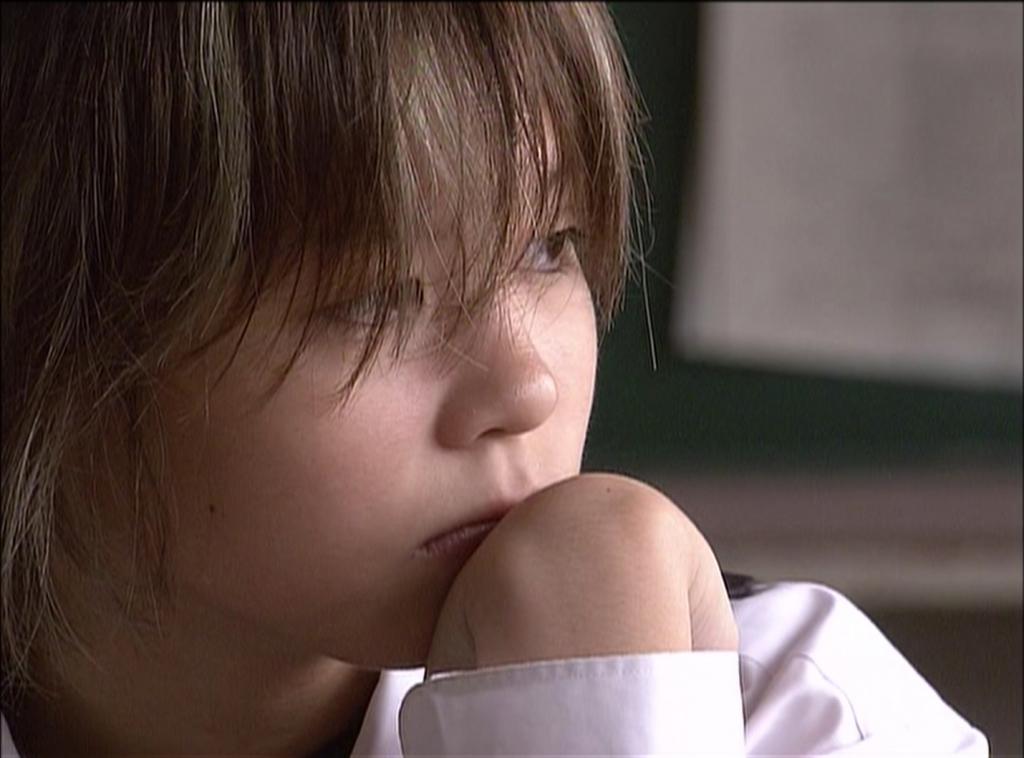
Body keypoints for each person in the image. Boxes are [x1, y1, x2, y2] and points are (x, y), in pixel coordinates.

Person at [0, 3, 987, 756]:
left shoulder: (807, 714)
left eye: (549, 247)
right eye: (374, 299)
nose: (528, 388)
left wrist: (598, 720)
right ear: (49, 324)